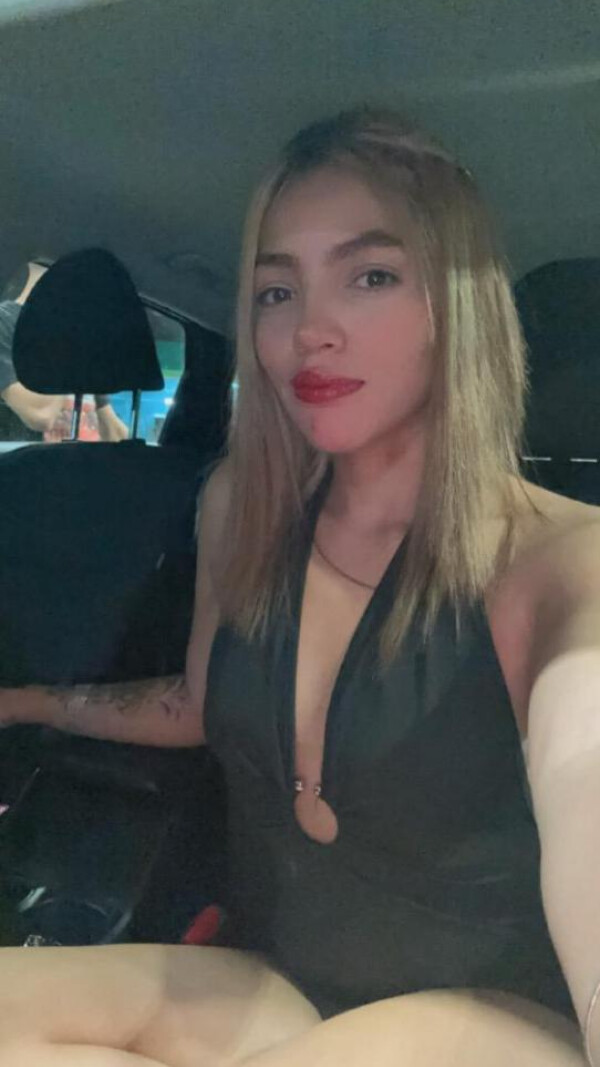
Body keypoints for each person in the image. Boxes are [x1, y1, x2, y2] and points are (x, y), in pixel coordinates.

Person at [0, 106, 597, 1066]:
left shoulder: (563, 561)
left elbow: (586, 772)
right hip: (281, 974)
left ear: (459, 304)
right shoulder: (241, 505)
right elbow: (196, 701)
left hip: (500, 1016)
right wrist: (23, 701)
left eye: (371, 276)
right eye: (277, 292)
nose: (310, 329)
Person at [0, 261, 129, 443]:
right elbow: (41, 416)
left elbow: (117, 439)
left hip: (77, 458)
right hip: (25, 459)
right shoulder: (6, 324)